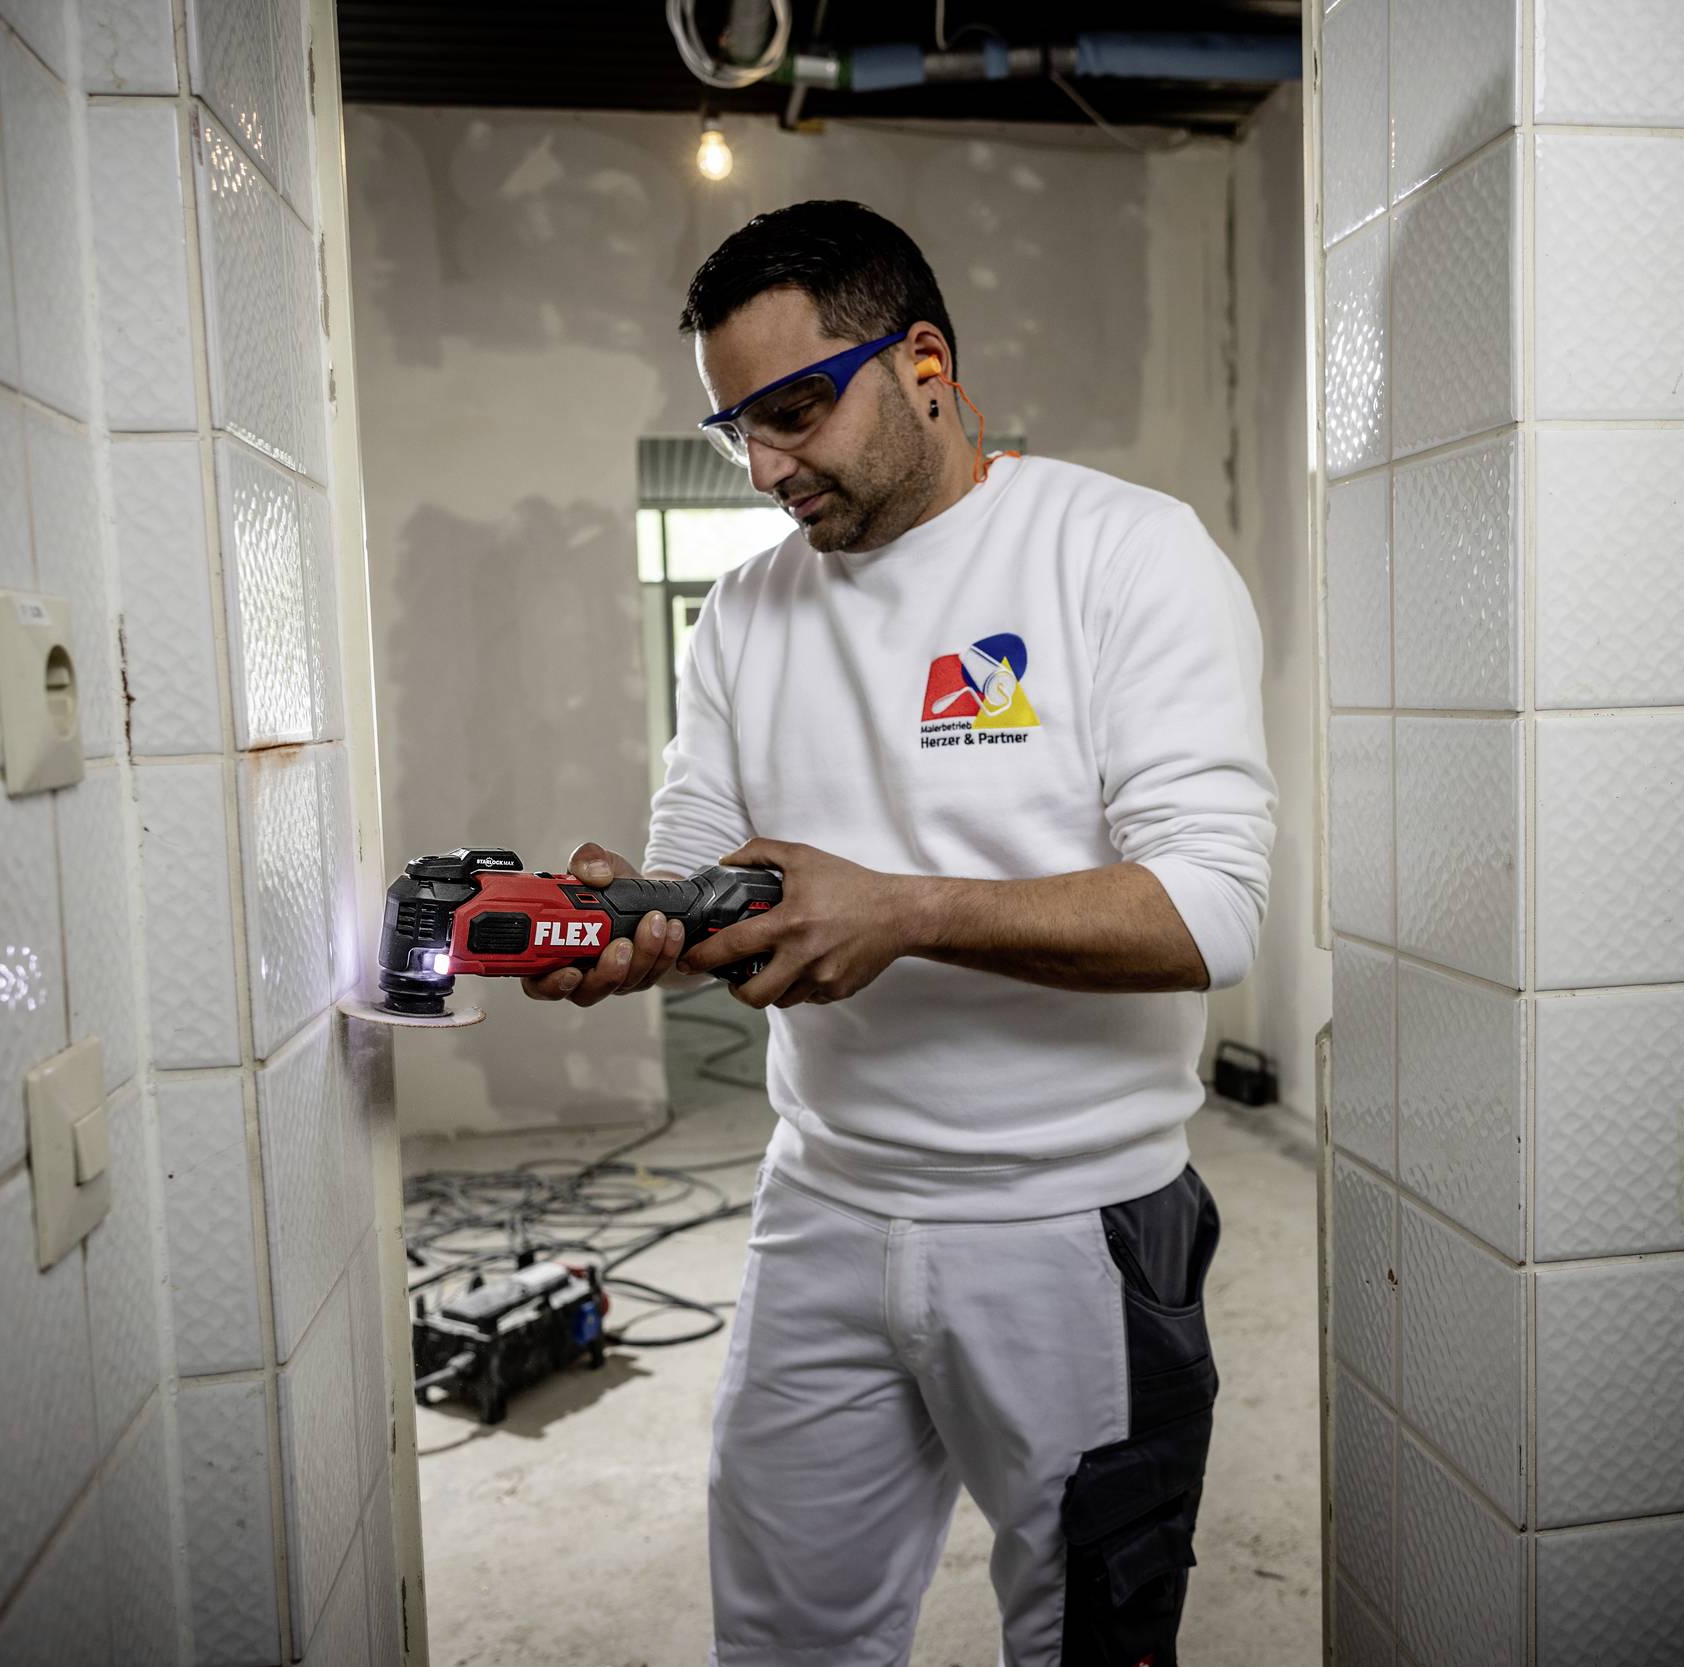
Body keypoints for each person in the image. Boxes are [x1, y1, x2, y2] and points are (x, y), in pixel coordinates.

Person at [523, 199, 1275, 1667]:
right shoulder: (745, 612)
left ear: (924, 360)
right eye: (733, 427)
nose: (763, 467)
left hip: (1077, 1223)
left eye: (794, 412)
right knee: (788, 1640)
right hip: (823, 1209)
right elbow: (699, 861)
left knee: (1086, 1642)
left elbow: (1214, 906)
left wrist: (907, 912)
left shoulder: (1120, 553)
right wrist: (632, 923)